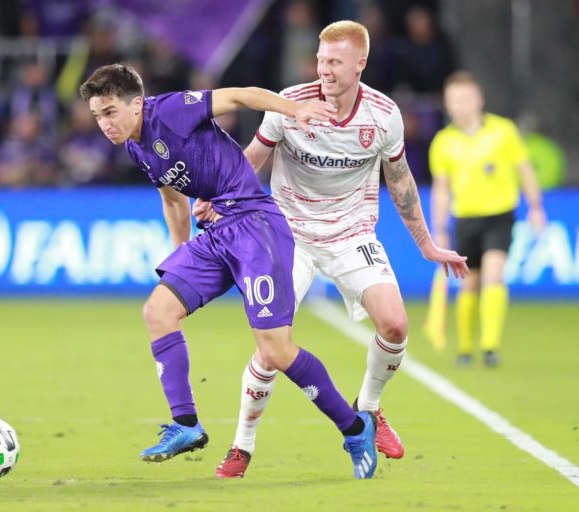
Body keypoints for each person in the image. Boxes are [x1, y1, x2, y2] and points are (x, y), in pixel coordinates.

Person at [193, 20, 468, 479]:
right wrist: (221, 196)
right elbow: (255, 158)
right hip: (287, 233)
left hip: (352, 233)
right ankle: (242, 445)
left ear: (360, 63)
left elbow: (399, 181)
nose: (325, 69)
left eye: (335, 62)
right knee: (271, 348)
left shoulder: (383, 115)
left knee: (396, 325)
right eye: (321, 60)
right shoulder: (289, 103)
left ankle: (370, 408)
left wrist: (427, 245)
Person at [80, 63, 380, 479]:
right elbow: (173, 201)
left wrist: (295, 111)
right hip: (216, 233)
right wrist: (180, 262)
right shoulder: (136, 146)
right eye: (97, 116)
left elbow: (240, 94)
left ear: (136, 104)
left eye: (110, 112)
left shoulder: (169, 111)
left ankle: (355, 427)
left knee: (275, 350)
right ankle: (187, 426)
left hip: (256, 227)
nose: (104, 124)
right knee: (159, 311)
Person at [429, 71, 546, 368]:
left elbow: (525, 169)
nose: (461, 105)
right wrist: (439, 228)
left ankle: (490, 345)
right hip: (465, 219)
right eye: (454, 100)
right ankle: (465, 349)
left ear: (479, 100)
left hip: (499, 216)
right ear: (447, 103)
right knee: (470, 285)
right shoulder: (443, 142)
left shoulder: (503, 131)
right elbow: (441, 190)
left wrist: (535, 206)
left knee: (494, 275)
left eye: (466, 99)